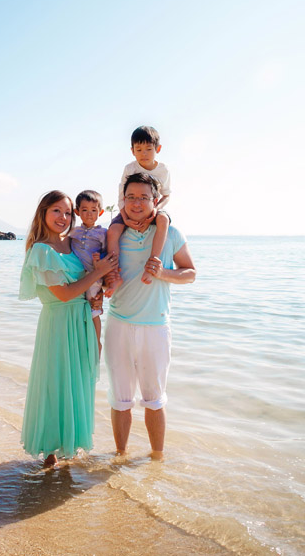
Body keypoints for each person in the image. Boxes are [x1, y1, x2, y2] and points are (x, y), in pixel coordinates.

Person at [19, 190, 117, 467]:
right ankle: (50, 455)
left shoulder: (72, 245)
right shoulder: (41, 250)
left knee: (78, 385)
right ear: (43, 214)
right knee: (56, 384)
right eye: (56, 211)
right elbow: (62, 294)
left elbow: (85, 283)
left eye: (66, 212)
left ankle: (68, 452)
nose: (63, 218)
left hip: (82, 321)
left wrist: (97, 292)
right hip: (59, 325)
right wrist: (98, 273)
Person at [104, 172, 195, 460]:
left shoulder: (170, 233)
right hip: (118, 324)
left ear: (155, 200)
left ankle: (157, 461)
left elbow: (190, 273)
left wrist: (163, 273)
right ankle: (120, 456)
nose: (136, 203)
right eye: (130, 197)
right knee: (120, 399)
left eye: (143, 197)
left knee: (155, 400)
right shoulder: (116, 234)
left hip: (156, 327)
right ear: (123, 201)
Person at [105, 126, 172, 294]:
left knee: (163, 220)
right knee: (113, 230)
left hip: (155, 207)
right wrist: (125, 217)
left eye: (149, 149)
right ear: (132, 151)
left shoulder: (163, 170)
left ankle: (153, 263)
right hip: (128, 210)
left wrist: (156, 210)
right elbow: (122, 195)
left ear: (158, 149)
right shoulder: (130, 169)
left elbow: (167, 195)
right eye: (139, 149)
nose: (144, 154)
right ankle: (114, 273)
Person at [68, 190, 108, 352]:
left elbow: (108, 253)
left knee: (93, 310)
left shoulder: (103, 233)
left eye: (94, 210)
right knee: (77, 308)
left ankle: (97, 342)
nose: (89, 214)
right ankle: (78, 342)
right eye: (84, 210)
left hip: (94, 277)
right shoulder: (73, 232)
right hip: (77, 277)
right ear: (77, 212)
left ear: (101, 212)